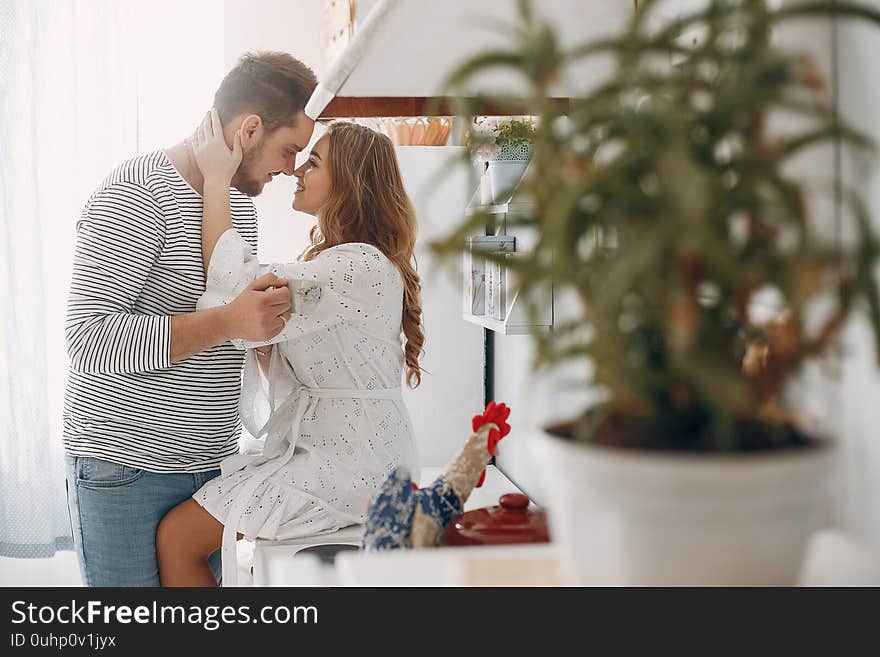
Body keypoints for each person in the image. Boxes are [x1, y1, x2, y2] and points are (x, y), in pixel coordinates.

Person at [63, 52, 317, 586]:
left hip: (211, 468)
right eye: (289, 149)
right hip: (125, 469)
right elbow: (86, 339)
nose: (291, 169)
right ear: (249, 129)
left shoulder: (235, 203)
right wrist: (230, 321)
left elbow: (234, 320)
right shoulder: (138, 193)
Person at [155, 112, 424, 587]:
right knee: (185, 536)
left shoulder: (353, 266)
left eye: (314, 162)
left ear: (349, 183)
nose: (298, 170)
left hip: (349, 464)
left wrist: (216, 180)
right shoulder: (343, 264)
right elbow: (265, 331)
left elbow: (236, 287)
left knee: (178, 538)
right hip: (348, 454)